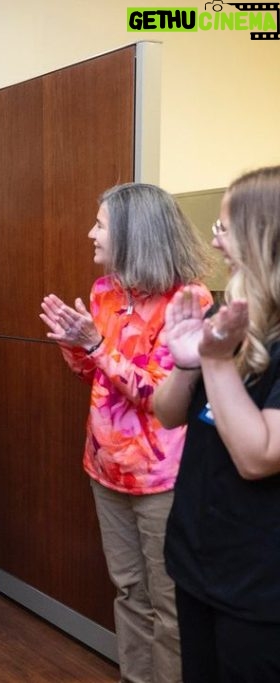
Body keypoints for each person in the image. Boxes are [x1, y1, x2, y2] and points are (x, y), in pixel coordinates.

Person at [40, 183, 210, 683]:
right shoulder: (105, 291)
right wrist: (75, 344)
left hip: (161, 478)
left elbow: (159, 395)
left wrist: (94, 346)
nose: (90, 232)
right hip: (105, 466)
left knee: (170, 605)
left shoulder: (188, 299)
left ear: (135, 234)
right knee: (129, 592)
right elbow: (91, 372)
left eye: (100, 224)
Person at [153, 165, 280, 682]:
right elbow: (168, 413)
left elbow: (258, 457)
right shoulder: (234, 317)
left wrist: (217, 360)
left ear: (261, 236)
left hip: (260, 583)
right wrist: (188, 361)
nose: (214, 240)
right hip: (201, 559)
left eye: (224, 228)